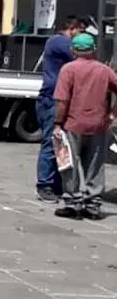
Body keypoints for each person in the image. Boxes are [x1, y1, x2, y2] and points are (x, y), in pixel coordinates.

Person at [51, 33, 117, 220]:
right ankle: (93, 205)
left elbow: (62, 101)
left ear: (73, 50)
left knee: (69, 164)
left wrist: (57, 123)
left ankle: (72, 203)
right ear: (93, 49)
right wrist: (112, 114)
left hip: (72, 124)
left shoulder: (68, 70)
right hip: (98, 125)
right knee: (95, 166)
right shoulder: (104, 70)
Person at [36, 16, 84, 202]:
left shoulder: (57, 42)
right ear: (72, 28)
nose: (81, 37)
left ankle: (55, 184)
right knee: (51, 142)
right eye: (81, 31)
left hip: (56, 98)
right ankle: (44, 185)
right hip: (52, 99)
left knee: (59, 143)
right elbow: (79, 54)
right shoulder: (59, 41)